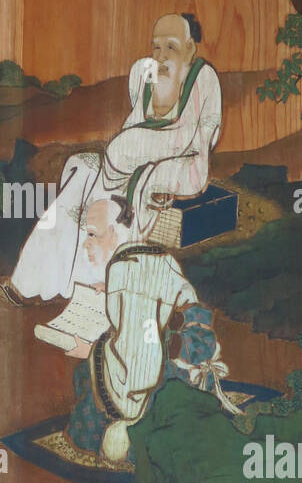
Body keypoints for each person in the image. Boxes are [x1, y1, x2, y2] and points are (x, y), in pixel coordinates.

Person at [0, 11, 222, 305]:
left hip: (182, 162)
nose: (162, 55)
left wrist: (146, 158)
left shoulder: (203, 78)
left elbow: (201, 137)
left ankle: (97, 287)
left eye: (171, 46)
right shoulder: (143, 73)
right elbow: (136, 119)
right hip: (134, 157)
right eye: (156, 46)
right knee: (83, 174)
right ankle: (32, 281)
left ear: (190, 48)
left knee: (119, 169)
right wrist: (132, 151)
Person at [63, 199, 239, 466]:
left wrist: (92, 351)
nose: (85, 244)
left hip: (163, 371)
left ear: (118, 232)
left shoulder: (127, 269)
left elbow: (138, 366)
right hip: (170, 350)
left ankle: (134, 438)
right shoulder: (151, 256)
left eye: (91, 234)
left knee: (87, 384)